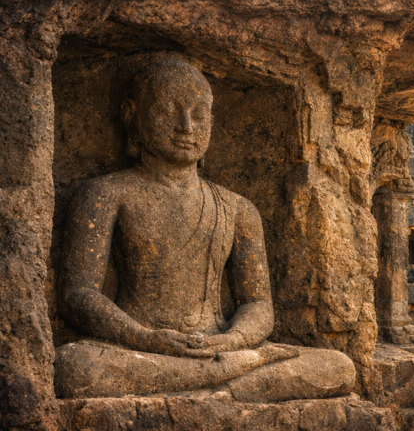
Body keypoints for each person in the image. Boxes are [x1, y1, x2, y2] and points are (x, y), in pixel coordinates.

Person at [55, 58, 354, 401]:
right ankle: (231, 374)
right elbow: (78, 295)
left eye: (199, 115)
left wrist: (232, 340)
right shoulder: (105, 194)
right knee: (74, 369)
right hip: (139, 348)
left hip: (219, 345)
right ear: (131, 115)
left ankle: (218, 371)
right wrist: (143, 338)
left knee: (338, 366)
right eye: (169, 112)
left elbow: (257, 303)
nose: (186, 127)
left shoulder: (237, 207)